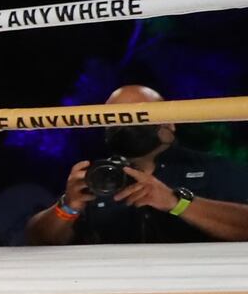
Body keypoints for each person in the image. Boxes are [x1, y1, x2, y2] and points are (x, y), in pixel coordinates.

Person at [24, 85, 248, 245]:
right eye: (115, 118)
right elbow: (38, 239)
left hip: (199, 288)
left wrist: (175, 202)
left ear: (169, 122)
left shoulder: (213, 168)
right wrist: (68, 206)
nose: (126, 124)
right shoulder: (96, 177)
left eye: (138, 115)